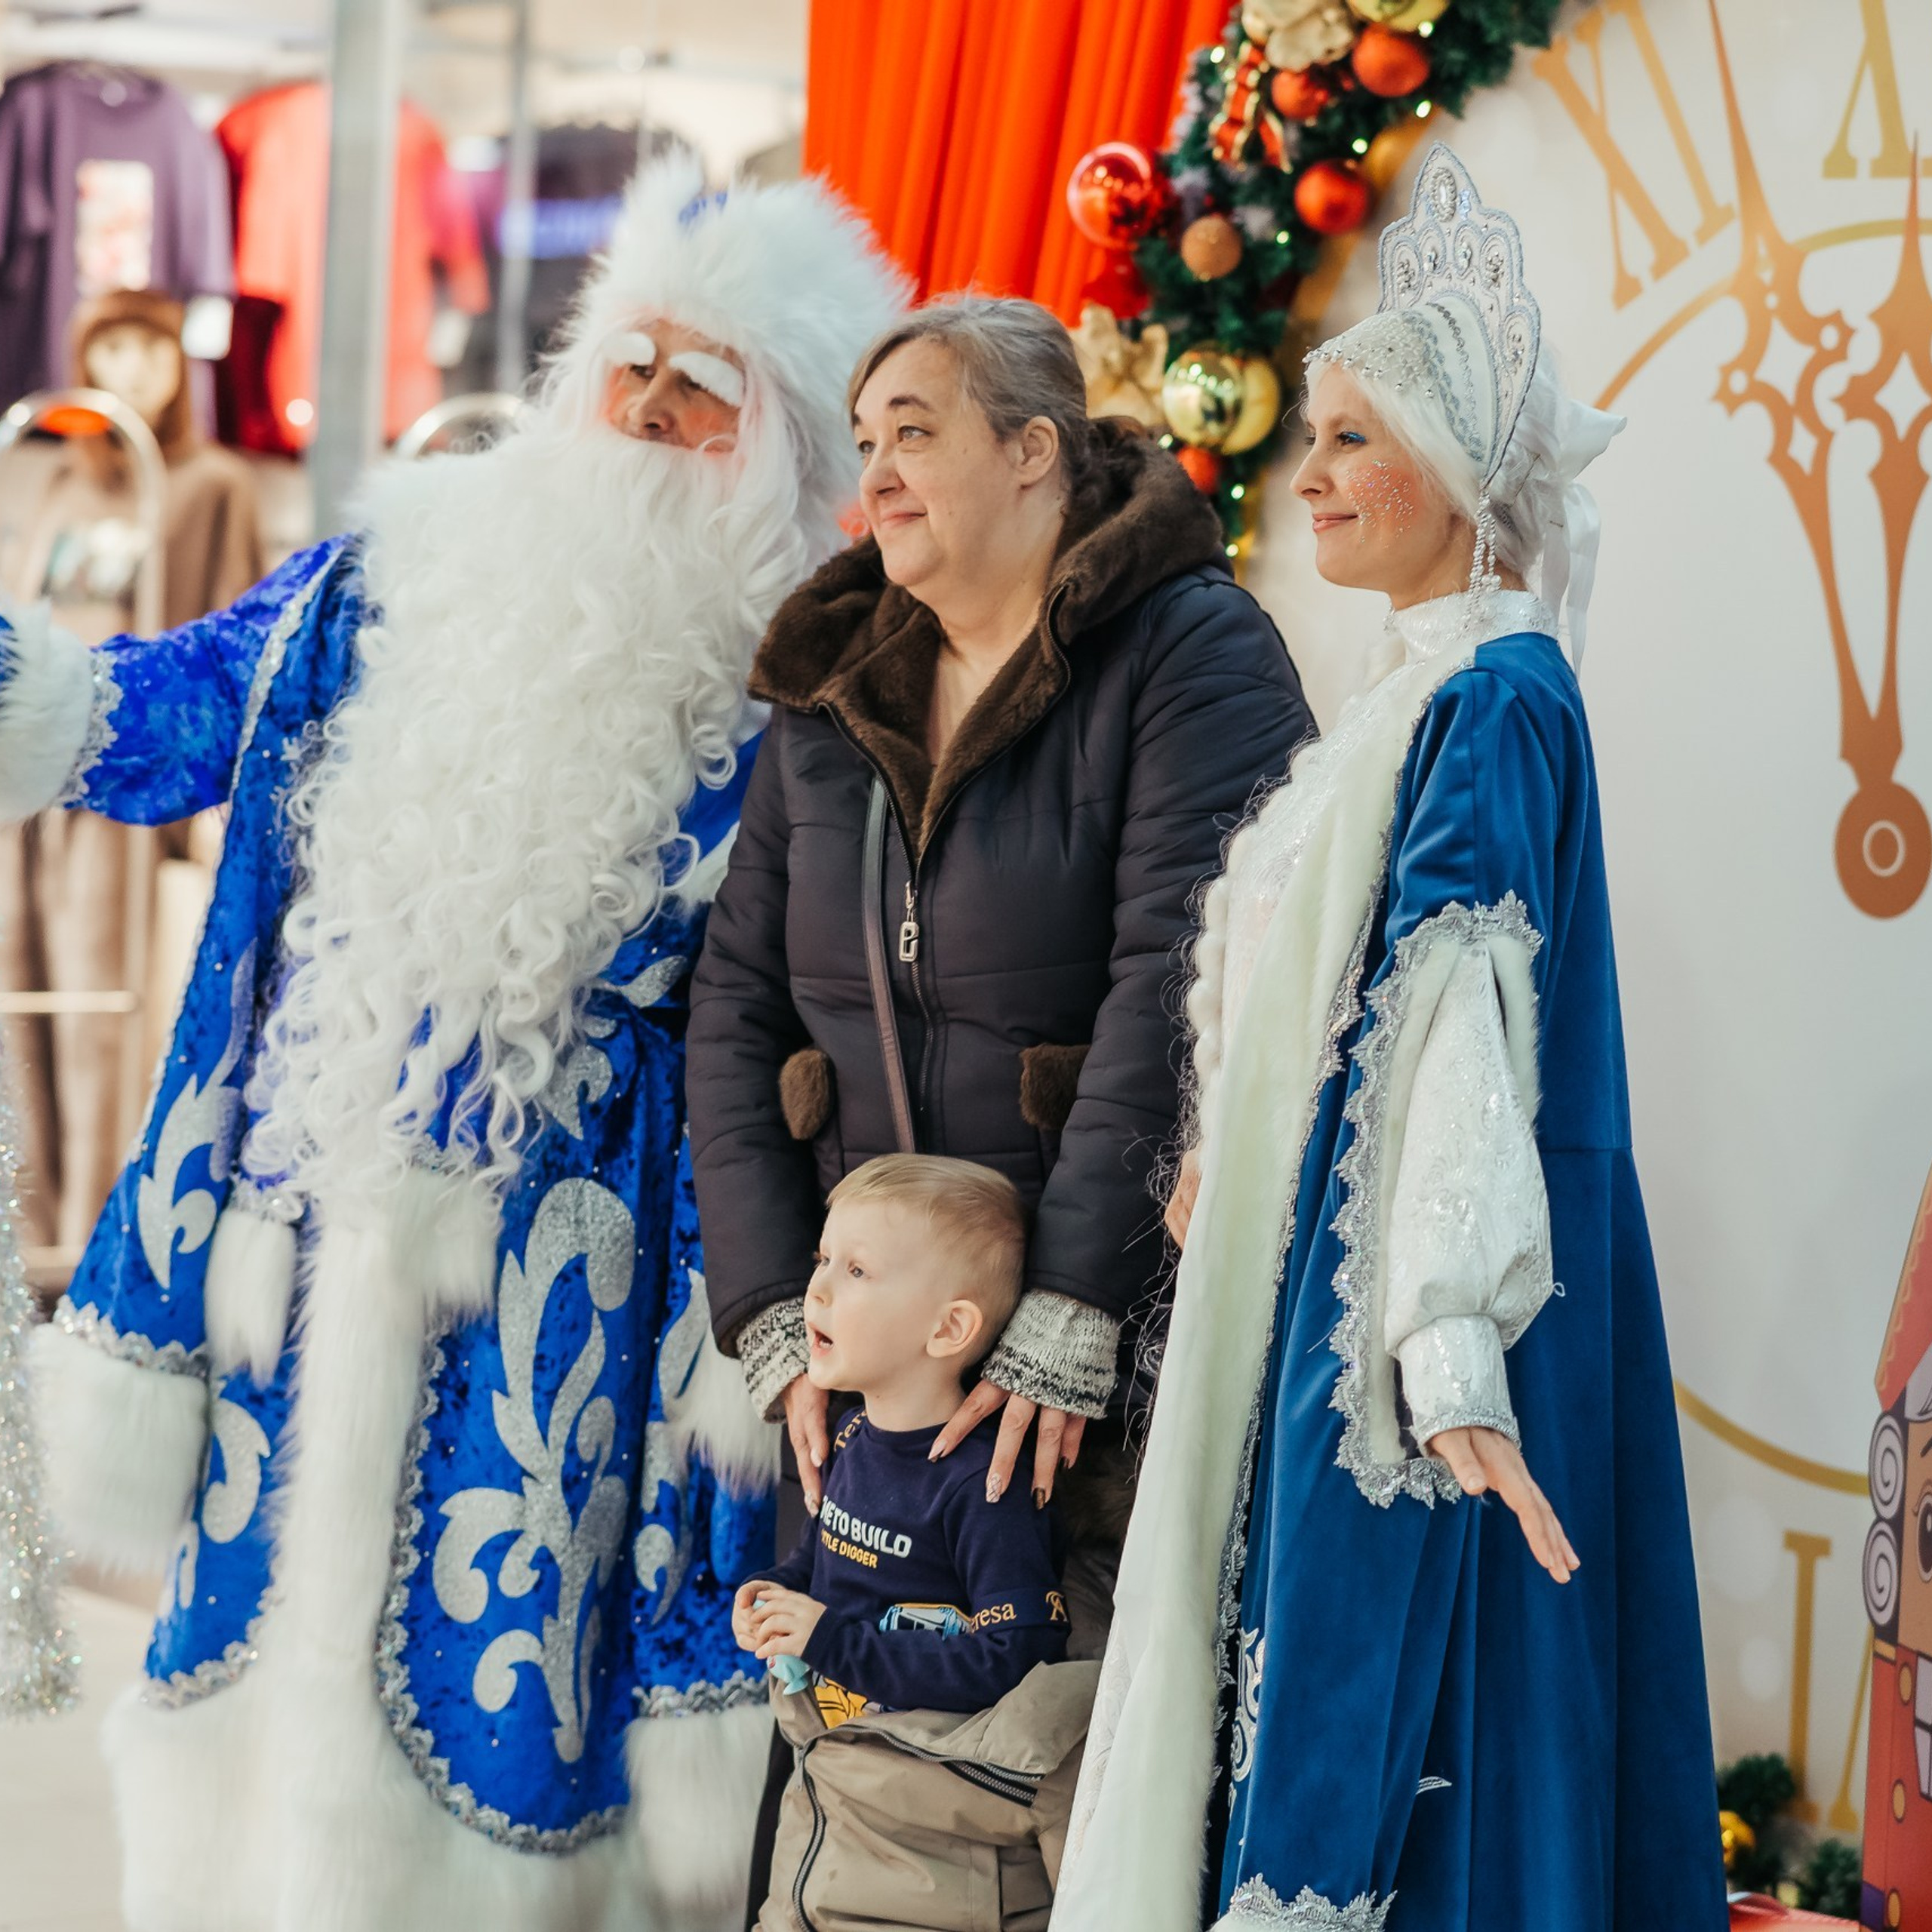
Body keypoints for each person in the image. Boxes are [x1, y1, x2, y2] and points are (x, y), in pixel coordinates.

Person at [0, 154, 905, 1932]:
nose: (647, 408)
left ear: (787, 443)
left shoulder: (812, 691)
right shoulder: (383, 584)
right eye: (629, 361)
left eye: (705, 386)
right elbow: (155, 717)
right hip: (310, 1231)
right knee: (256, 1654)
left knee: (510, 1685)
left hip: (582, 1286)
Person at [1051, 146, 1728, 1931]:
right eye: (1314, 436)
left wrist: (1441, 1344)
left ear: (1454, 471)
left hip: (1420, 1300)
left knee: (1426, 1704)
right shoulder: (1413, 691)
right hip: (1337, 1274)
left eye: (1352, 439)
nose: (1310, 475)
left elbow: (1453, 1019)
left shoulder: (1492, 697)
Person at [736, 1155, 1094, 1932]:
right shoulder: (850, 1437)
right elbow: (822, 1564)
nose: (817, 1290)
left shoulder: (983, 1485)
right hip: (835, 1784)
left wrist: (831, 1640)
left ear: (949, 1328)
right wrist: (774, 1593)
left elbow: (1019, 1657)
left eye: (856, 1269)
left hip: (935, 1822)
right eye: (822, 1259)